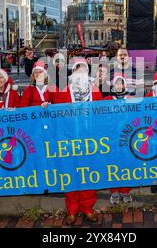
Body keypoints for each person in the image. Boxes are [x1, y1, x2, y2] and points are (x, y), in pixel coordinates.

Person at [54, 58, 102, 225]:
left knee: (89, 173)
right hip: (69, 139)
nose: (80, 72)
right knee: (71, 174)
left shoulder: (95, 90)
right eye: (77, 69)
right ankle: (72, 210)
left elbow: (102, 114)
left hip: (90, 139)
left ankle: (88, 208)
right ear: (72, 72)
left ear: (87, 72)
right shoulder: (64, 91)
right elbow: (56, 115)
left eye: (83, 69)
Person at [104, 76, 134, 205]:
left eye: (121, 83)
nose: (118, 85)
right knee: (112, 164)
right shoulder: (106, 100)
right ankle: (114, 191)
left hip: (127, 138)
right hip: (111, 138)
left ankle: (125, 190)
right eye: (116, 83)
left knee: (127, 163)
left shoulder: (132, 100)